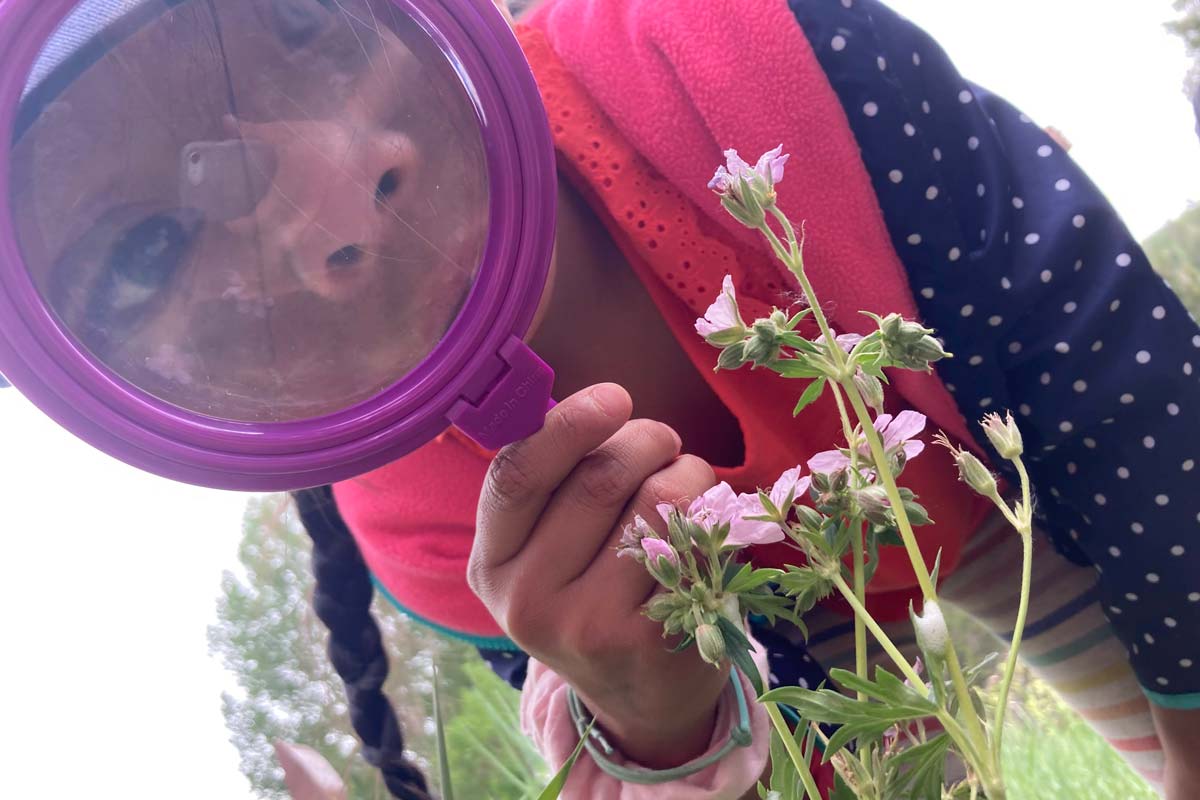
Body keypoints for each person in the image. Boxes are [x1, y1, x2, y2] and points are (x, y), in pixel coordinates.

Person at [9, 1, 1197, 798]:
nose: (335, 203)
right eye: (145, 249)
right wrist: (657, 717)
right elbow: (787, 767)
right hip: (795, 641)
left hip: (996, 479)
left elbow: (1147, 423)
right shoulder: (436, 533)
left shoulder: (745, 59)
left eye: (307, 23)